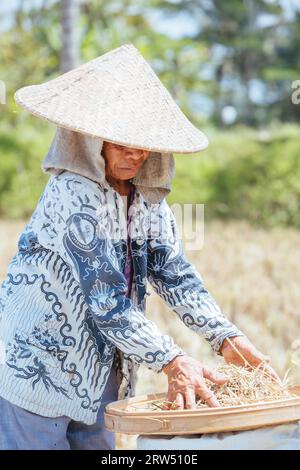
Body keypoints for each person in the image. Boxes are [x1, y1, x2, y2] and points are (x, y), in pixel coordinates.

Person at [0, 44, 279, 450]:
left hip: (101, 371)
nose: (134, 154)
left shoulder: (145, 201)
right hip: (38, 366)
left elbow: (174, 273)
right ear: (91, 139)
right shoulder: (72, 194)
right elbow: (106, 299)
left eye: (142, 143)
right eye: (120, 142)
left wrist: (225, 338)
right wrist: (172, 360)